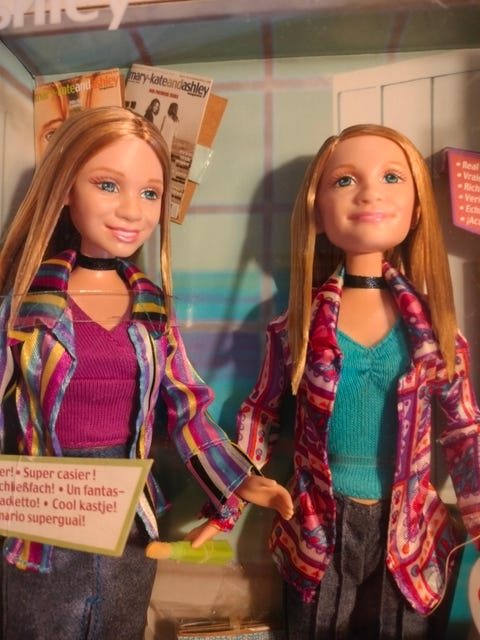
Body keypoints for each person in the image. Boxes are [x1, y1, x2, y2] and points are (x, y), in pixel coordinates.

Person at [0, 106, 293, 639]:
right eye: (107, 185)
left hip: (128, 513)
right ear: (65, 189)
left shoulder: (151, 310)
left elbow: (186, 407)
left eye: (150, 193)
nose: (131, 210)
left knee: (119, 621)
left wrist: (236, 477)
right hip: (44, 513)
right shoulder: (25, 306)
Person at [236, 123, 480, 639]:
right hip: (316, 526)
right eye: (344, 180)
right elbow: (262, 410)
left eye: (392, 177)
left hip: (409, 531)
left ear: (417, 208)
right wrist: (236, 482)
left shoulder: (436, 331)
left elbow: (464, 432)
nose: (369, 193)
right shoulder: (297, 326)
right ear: (318, 211)